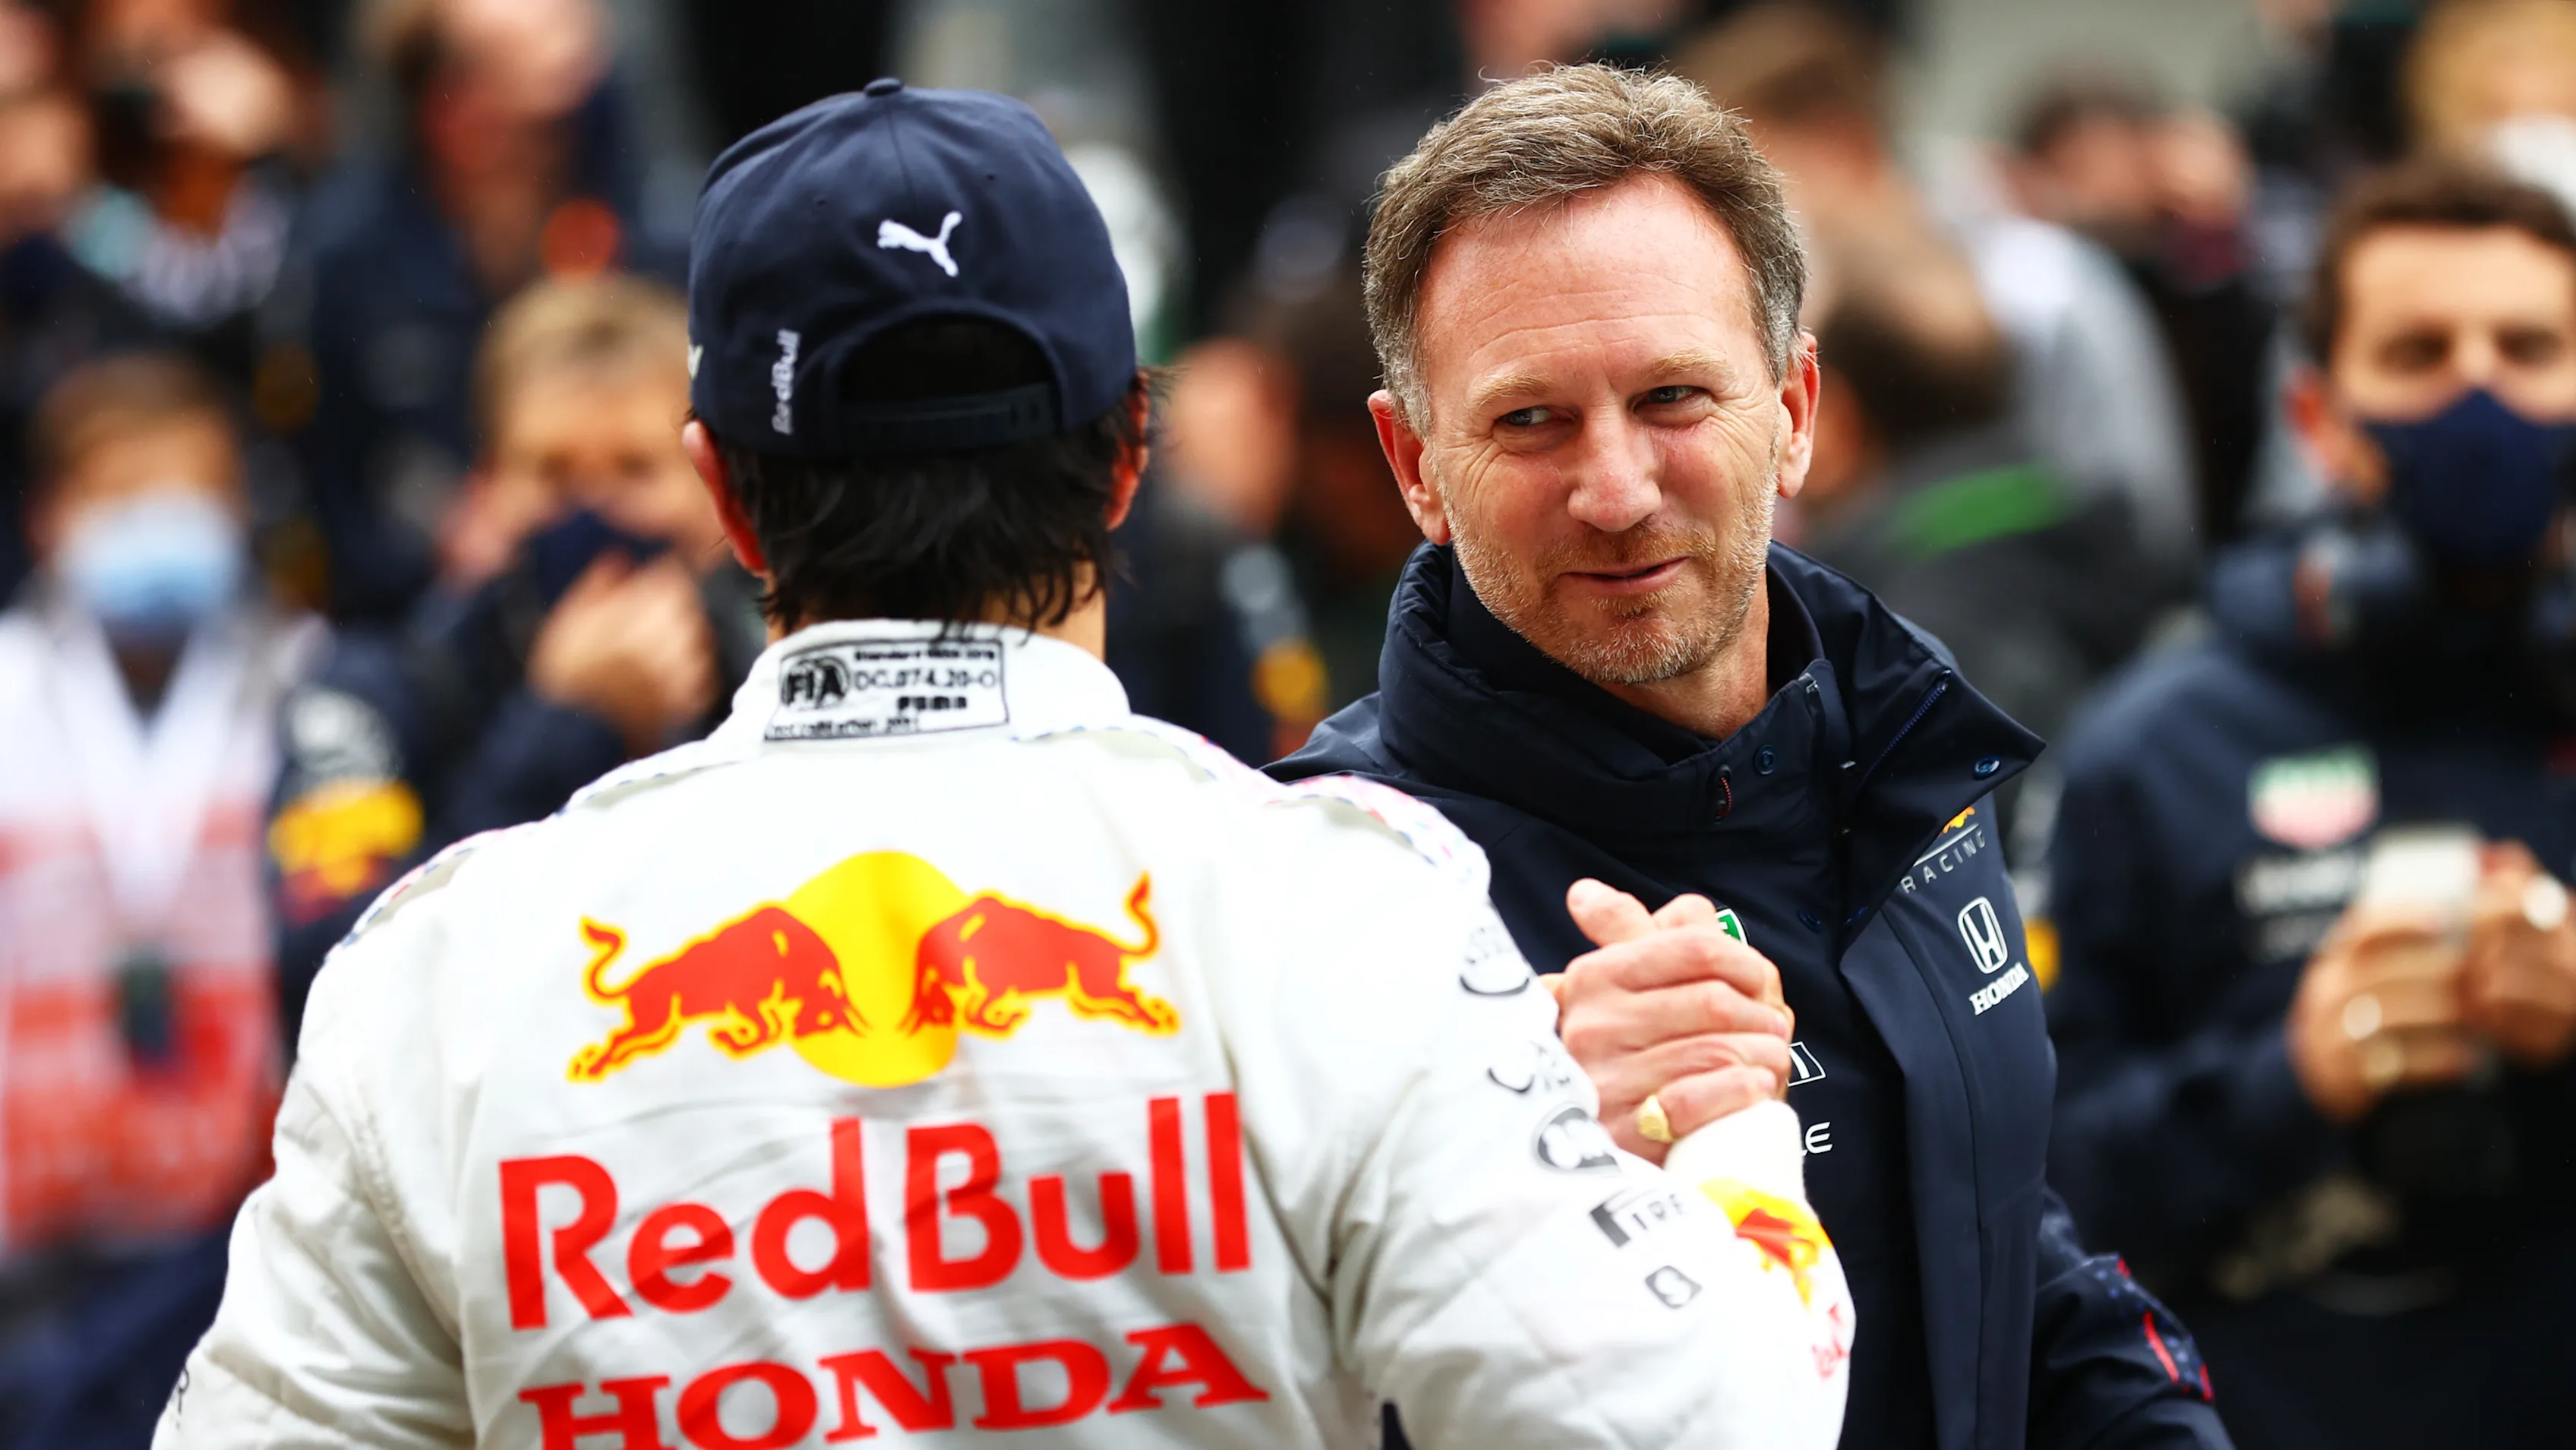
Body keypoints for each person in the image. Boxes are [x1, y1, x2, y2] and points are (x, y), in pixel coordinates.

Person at [157, 82, 1856, 1448]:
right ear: (1129, 453)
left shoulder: (447, 972)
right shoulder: (1330, 911)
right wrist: (1723, 1137)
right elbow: (1721, 1424)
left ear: (724, 493)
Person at [1271, 64, 2228, 1450]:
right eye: (1528, 418)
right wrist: (1481, 1140)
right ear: (1413, 461)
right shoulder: (1315, 881)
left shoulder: (1900, 757)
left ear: (1793, 407)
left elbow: (1993, 1236)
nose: (1614, 489)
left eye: (1672, 395)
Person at [2044, 158, 2576, 1449]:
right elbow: (2031, 1176)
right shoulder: (2151, 748)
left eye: (2526, 346)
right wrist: (2290, 1073)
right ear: (2317, 409)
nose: (2478, 388)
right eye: (2417, 349)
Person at [265, 274, 762, 1045]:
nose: (594, 511)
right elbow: (319, 974)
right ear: (488, 487)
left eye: (635, 470)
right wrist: (564, 727)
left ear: (712, 490)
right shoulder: (369, 694)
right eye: (553, 474)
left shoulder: (779, 684)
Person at [0, 353, 315, 1447]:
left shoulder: (313, 690)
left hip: (243, 1233)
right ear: (50, 517)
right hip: (30, 1247)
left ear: (237, 512)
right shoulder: (5, 696)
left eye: (188, 497)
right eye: (124, 499)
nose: (159, 528)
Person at [289, 0, 674, 622]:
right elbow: (324, 491)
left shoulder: (653, 239)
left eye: (554, 113)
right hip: (417, 615)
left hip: (649, 592)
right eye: (482, 84)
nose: (516, 128)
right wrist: (435, 553)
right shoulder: (345, 255)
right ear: (439, 100)